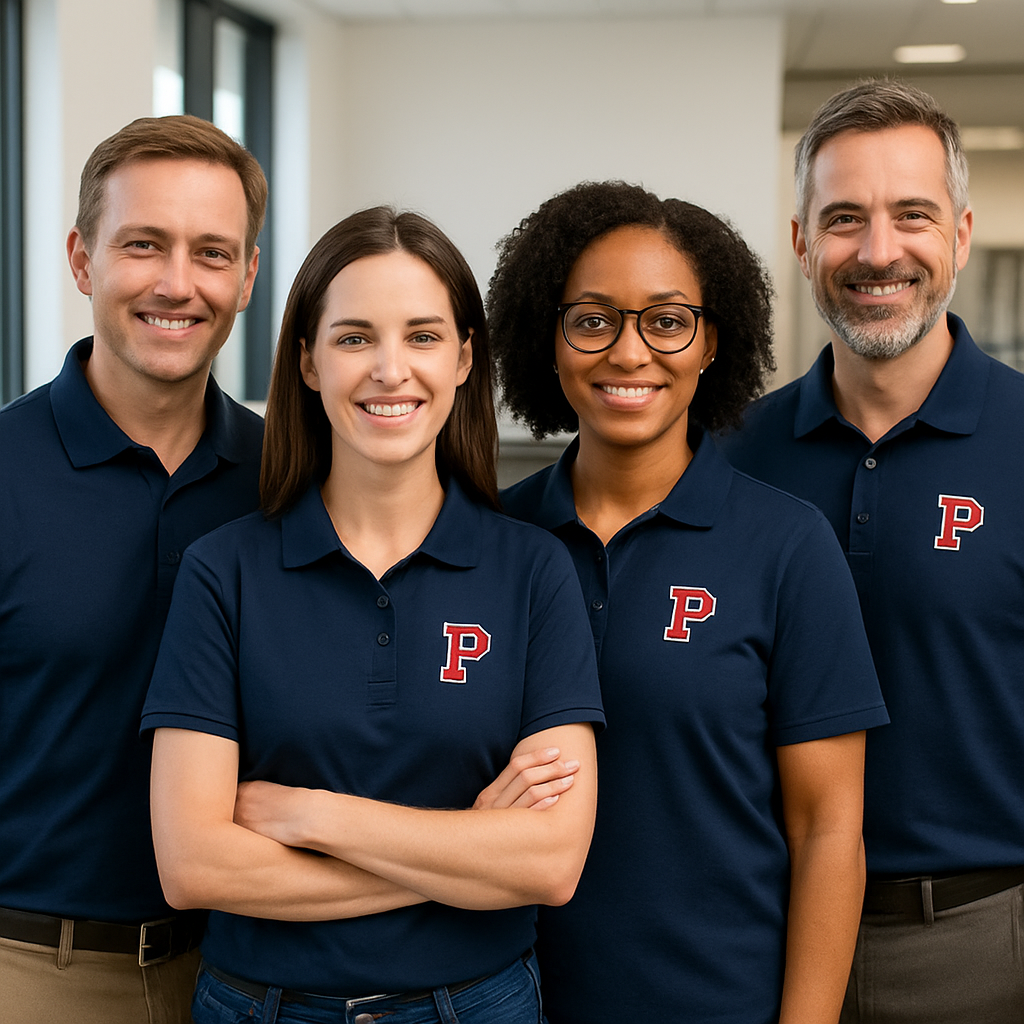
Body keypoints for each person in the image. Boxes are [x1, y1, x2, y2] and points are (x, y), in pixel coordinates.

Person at [142, 206, 604, 1024]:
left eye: (423, 337)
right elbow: (194, 866)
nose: (391, 370)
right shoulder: (225, 571)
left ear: (465, 359)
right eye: (355, 337)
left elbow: (551, 863)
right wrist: (463, 849)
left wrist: (311, 815)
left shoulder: (535, 570)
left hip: (477, 1005)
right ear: (309, 362)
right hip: (260, 1007)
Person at [488, 180, 888, 1024]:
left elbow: (828, 832)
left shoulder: (787, 546)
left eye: (667, 320)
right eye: (593, 319)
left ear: (711, 343)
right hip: (504, 1000)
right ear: (548, 339)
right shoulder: (493, 542)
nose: (629, 352)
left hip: (718, 1002)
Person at [718, 79, 1024, 1023]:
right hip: (756, 935)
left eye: (913, 215)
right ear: (804, 242)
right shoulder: (729, 454)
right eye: (844, 218)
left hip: (980, 941)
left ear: (961, 235)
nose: (879, 251)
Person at [0, 116, 266, 1022]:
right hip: (34, 971)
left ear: (247, 276)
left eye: (212, 252)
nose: (178, 285)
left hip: (252, 972)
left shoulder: (293, 483)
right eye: (143, 245)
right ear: (82, 260)